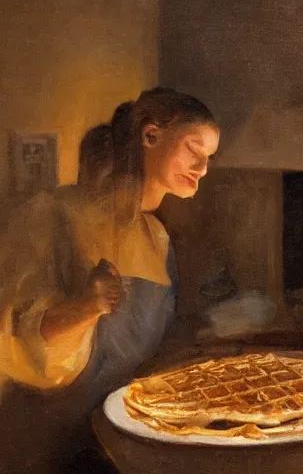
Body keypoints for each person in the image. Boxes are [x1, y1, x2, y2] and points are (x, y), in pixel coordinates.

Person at [0, 88, 219, 473]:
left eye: (210, 157)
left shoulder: (156, 235)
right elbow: (14, 340)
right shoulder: (52, 214)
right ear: (150, 136)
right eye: (193, 149)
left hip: (121, 431)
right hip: (49, 440)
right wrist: (87, 307)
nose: (202, 168)